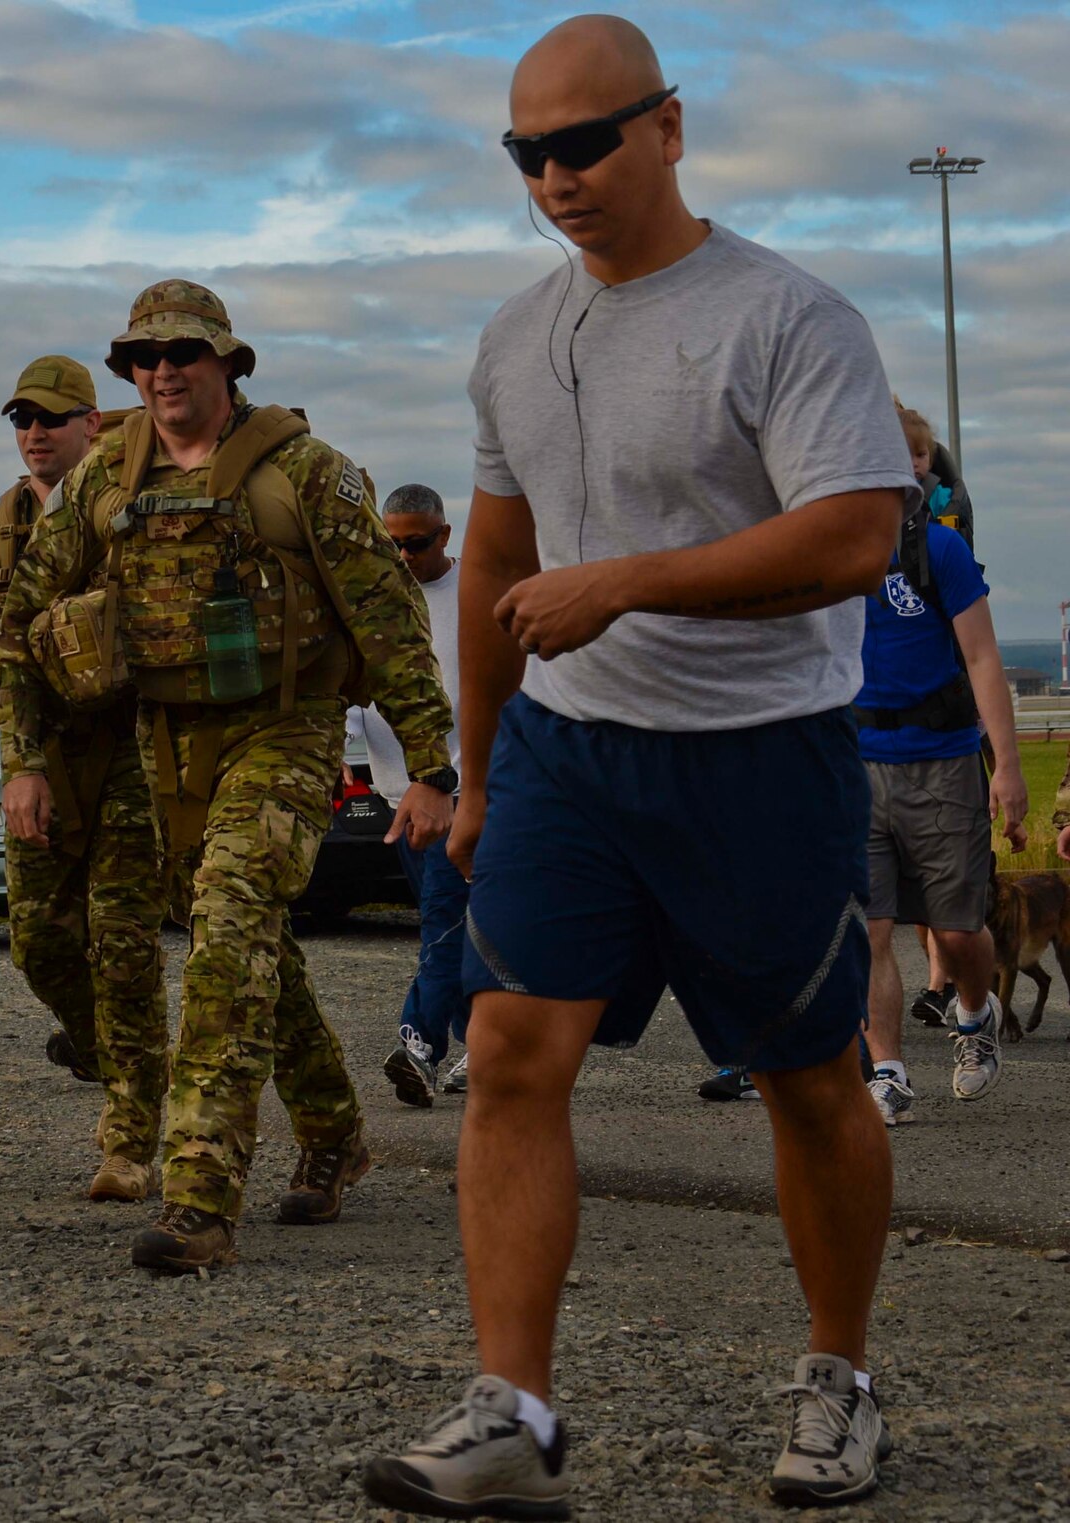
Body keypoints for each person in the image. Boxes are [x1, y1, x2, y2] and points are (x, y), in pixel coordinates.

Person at [361, 17, 915, 1516]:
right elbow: (496, 559)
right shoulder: (511, 336)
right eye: (526, 153)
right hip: (567, 757)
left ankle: (840, 1380)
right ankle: (514, 1416)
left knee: (807, 1080)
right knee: (510, 1061)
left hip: (756, 758)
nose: (556, 177)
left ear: (669, 127)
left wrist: (632, 582)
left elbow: (859, 532)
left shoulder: (789, 317)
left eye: (586, 142)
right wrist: (476, 775)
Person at [0, 280, 455, 1274]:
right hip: (159, 747)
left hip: (282, 734)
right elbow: (22, 617)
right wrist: (25, 760)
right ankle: (333, 1134)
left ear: (226, 364)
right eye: (143, 357)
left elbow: (389, 623)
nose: (162, 371)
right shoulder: (102, 482)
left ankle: (199, 1196)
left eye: (183, 353)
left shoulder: (304, 474)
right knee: (247, 948)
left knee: (229, 927)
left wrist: (432, 767)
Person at [0, 357, 168, 1202]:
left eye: (52, 417)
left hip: (129, 754)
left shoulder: (131, 508)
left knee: (123, 944)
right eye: (21, 418)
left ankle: (129, 1135)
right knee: (39, 942)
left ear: (96, 424)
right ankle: (116, 1054)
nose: (34, 432)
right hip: (37, 761)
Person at [857, 403, 1023, 1126]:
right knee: (868, 928)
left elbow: (984, 658)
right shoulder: (829, 554)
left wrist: (1008, 766)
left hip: (942, 762)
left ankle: (976, 1012)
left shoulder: (940, 552)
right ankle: (887, 1071)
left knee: (956, 932)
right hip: (857, 763)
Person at [350, 483, 469, 1107]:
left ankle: (419, 1044)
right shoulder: (373, 599)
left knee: (443, 921)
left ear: (443, 536)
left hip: (459, 791)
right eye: (389, 543)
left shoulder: (476, 594)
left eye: (414, 543)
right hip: (398, 795)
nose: (402, 556)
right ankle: (484, 1040)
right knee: (455, 923)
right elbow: (351, 688)